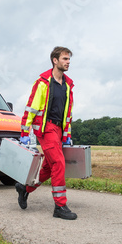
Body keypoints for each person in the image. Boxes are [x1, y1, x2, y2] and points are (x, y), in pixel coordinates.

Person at [15, 46, 77, 220]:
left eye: (69, 59)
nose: (68, 62)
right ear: (55, 60)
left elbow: (68, 114)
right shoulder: (42, 82)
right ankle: (60, 206)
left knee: (49, 167)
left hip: (58, 130)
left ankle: (25, 189)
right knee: (59, 163)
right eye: (65, 59)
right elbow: (31, 109)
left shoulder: (68, 85)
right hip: (45, 128)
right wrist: (25, 132)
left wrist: (67, 135)